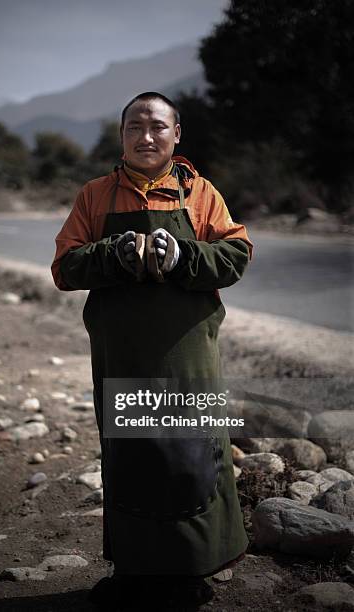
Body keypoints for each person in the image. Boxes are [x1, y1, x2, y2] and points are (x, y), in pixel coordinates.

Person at [51, 91, 253, 609]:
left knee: (192, 458)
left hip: (188, 355)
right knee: (132, 457)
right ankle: (135, 572)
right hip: (124, 354)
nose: (146, 137)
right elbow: (65, 267)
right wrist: (113, 254)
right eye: (135, 127)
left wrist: (185, 254)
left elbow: (235, 255)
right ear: (121, 136)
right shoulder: (96, 195)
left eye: (157, 127)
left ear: (176, 134)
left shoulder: (200, 193)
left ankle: (193, 570)